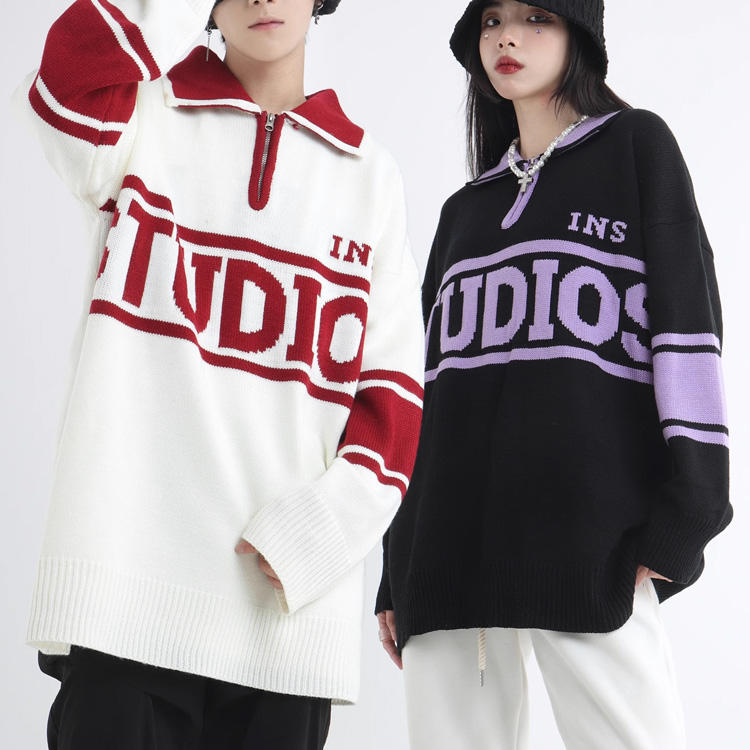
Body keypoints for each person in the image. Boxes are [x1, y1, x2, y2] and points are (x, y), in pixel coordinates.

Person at [17, 1, 424, 748]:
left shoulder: (369, 175)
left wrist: (320, 531)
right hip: (123, 595)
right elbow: (61, 82)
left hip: (284, 619)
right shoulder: (140, 115)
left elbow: (392, 399)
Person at [375, 1, 731, 748]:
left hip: (593, 540)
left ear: (581, 34)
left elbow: (687, 331)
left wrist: (693, 506)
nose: (507, 36)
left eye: (537, 17)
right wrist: (394, 563)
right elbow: (423, 395)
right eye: (492, 20)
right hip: (445, 548)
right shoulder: (464, 212)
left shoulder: (636, 147)